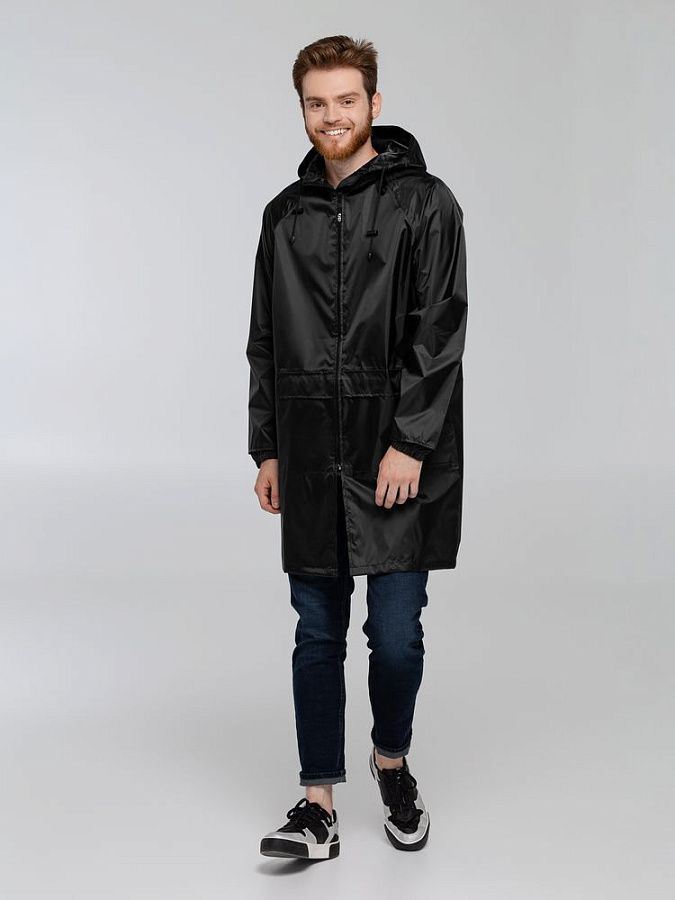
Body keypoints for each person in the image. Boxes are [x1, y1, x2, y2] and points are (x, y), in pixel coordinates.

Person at [247, 34, 468, 859]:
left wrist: (410, 441)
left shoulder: (425, 203)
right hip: (308, 449)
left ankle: (391, 762)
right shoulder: (285, 216)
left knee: (397, 634)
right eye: (316, 103)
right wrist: (267, 448)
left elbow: (438, 330)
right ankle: (317, 806)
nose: (330, 116)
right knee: (316, 632)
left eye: (345, 100)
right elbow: (266, 340)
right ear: (302, 110)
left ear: (374, 103)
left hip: (395, 451)